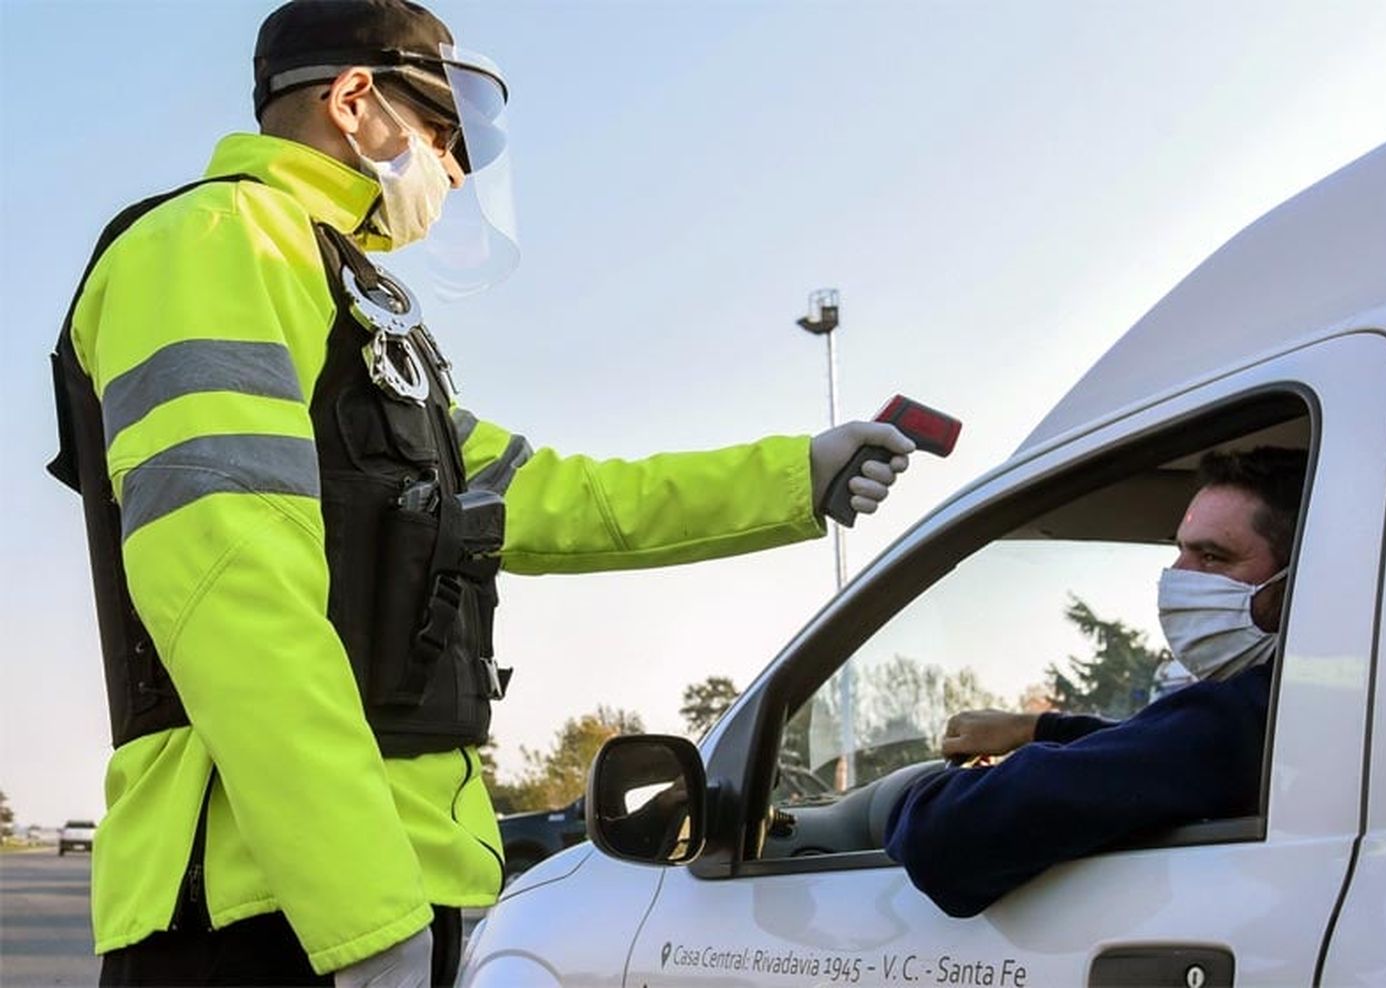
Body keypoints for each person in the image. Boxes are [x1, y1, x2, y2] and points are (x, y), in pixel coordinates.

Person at [48, 2, 919, 984]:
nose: (455, 172)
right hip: (271, 907)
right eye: (444, 135)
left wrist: (795, 474)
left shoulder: (359, 310)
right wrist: (363, 914)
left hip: (398, 883)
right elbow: (224, 588)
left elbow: (565, 497)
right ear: (353, 100)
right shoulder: (216, 244)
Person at [884, 446, 1308, 917]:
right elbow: (1152, 751)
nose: (1177, 578)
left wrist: (898, 802)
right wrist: (1040, 729)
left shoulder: (1238, 721)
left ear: (1295, 583)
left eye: (1212, 557)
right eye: (1179, 551)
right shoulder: (1297, 708)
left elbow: (943, 840)